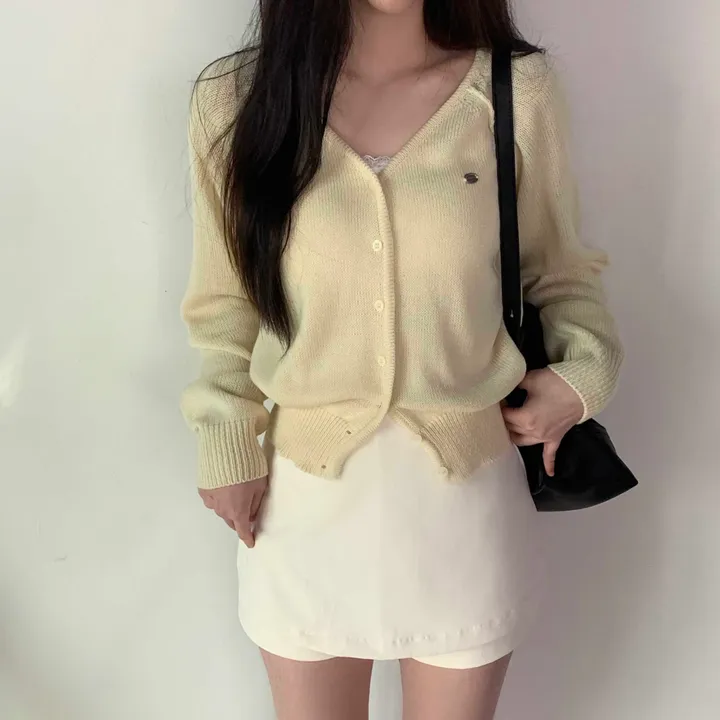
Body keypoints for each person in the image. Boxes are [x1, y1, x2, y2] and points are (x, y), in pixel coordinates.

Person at [180, 1, 623, 718]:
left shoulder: (514, 90)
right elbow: (224, 302)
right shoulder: (234, 100)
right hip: (302, 499)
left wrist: (583, 377)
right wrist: (225, 438)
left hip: (464, 499)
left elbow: (563, 272)